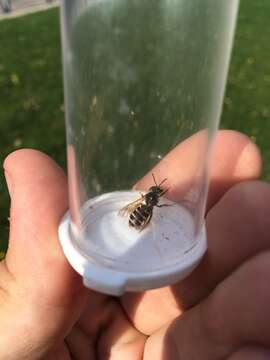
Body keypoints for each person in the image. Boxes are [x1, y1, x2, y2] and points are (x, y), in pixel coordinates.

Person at [0, 129, 270, 360]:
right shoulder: (150, 203)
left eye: (154, 193)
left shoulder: (145, 203)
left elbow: (144, 206)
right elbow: (148, 206)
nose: (154, 194)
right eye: (155, 192)